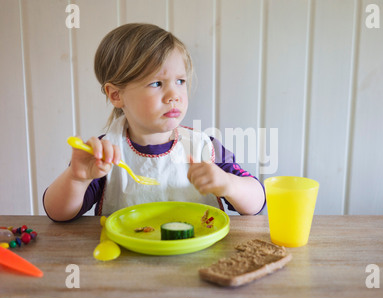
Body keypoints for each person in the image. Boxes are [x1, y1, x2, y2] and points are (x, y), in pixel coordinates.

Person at [43, 23, 265, 222]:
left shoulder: (204, 147)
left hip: (200, 262)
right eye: (157, 83)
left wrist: (228, 184)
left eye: (180, 81)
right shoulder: (104, 153)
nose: (174, 95)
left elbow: (257, 203)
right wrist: (76, 178)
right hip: (124, 263)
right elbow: (58, 213)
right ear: (116, 95)